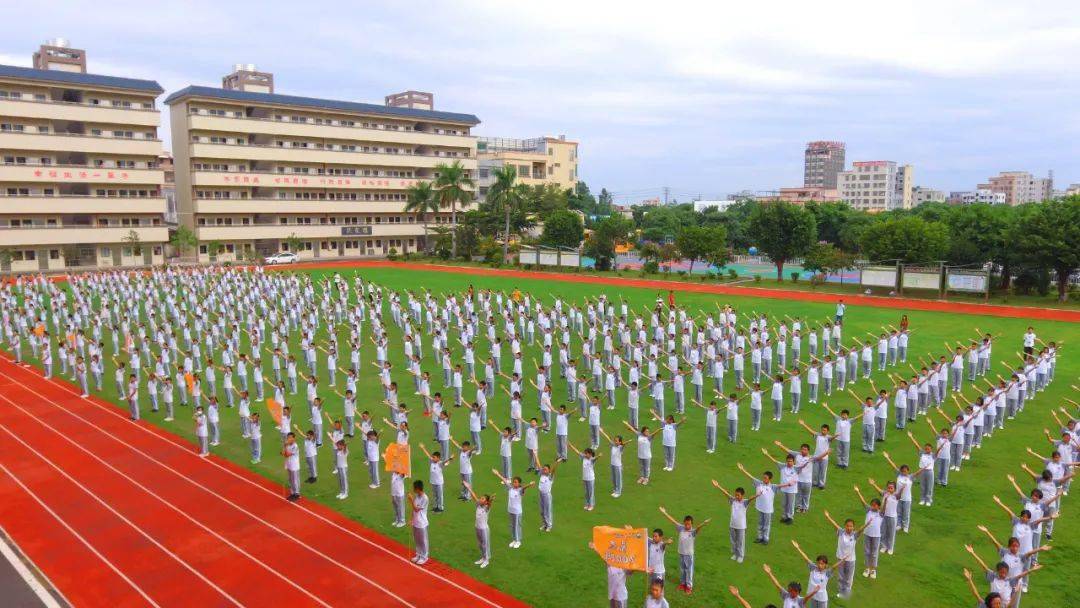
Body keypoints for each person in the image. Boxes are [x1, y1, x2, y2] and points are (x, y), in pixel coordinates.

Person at [658, 506, 711, 594]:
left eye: (689, 524)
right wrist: (664, 512)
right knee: (682, 569)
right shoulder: (681, 528)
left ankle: (689, 586)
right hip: (681, 553)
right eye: (686, 524)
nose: (687, 526)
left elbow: (698, 528)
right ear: (684, 523)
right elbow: (672, 520)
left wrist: (704, 523)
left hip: (689, 555)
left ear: (691, 524)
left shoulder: (693, 532)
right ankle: (682, 584)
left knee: (688, 570)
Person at [711, 481, 757, 563]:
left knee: (740, 541)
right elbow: (726, 493)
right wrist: (718, 486)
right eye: (735, 495)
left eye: (738, 495)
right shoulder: (733, 500)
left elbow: (751, 498)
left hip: (741, 526)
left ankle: (741, 556)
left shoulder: (744, 502)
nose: (736, 496)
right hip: (732, 524)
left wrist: (758, 495)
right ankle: (736, 554)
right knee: (733, 541)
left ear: (742, 495)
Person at [790, 541, 841, 608]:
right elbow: (806, 559)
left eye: (822, 564)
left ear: (825, 565)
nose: (820, 565)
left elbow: (834, 567)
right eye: (819, 563)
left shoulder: (827, 573)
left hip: (822, 599)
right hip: (813, 597)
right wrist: (798, 548)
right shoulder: (813, 568)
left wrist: (843, 560)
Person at [493, 468, 534, 548]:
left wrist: (530, 484)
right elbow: (504, 481)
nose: (514, 483)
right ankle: (514, 539)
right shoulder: (510, 488)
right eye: (513, 482)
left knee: (517, 525)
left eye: (515, 482)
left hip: (517, 511)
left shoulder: (520, 490)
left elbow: (524, 487)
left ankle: (518, 541)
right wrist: (497, 474)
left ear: (519, 483)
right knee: (511, 525)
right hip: (510, 510)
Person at [462, 481, 492, 568]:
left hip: (484, 529)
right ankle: (483, 557)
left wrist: (491, 500)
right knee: (479, 544)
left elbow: (490, 504)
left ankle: (486, 560)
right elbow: (474, 496)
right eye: (481, 498)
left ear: (486, 502)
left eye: (482, 499)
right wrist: (468, 487)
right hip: (477, 527)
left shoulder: (487, 508)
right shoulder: (478, 505)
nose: (480, 499)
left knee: (485, 544)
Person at [408, 480, 430, 565]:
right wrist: (411, 519)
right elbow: (413, 511)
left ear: (418, 489)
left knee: (423, 540)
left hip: (422, 523)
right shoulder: (417, 496)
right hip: (416, 522)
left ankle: (424, 557)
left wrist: (411, 500)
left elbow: (417, 509)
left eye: (414, 488)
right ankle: (418, 555)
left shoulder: (425, 498)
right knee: (417, 540)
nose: (413, 490)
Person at [282, 431, 301, 501]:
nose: (289, 439)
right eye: (288, 437)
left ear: (294, 438)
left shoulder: (295, 446)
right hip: (289, 464)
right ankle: (292, 493)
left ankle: (297, 494)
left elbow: (287, 454)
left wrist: (284, 447)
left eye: (290, 437)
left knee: (295, 480)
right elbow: (283, 453)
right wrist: (284, 447)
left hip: (294, 466)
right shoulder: (288, 445)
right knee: (290, 480)